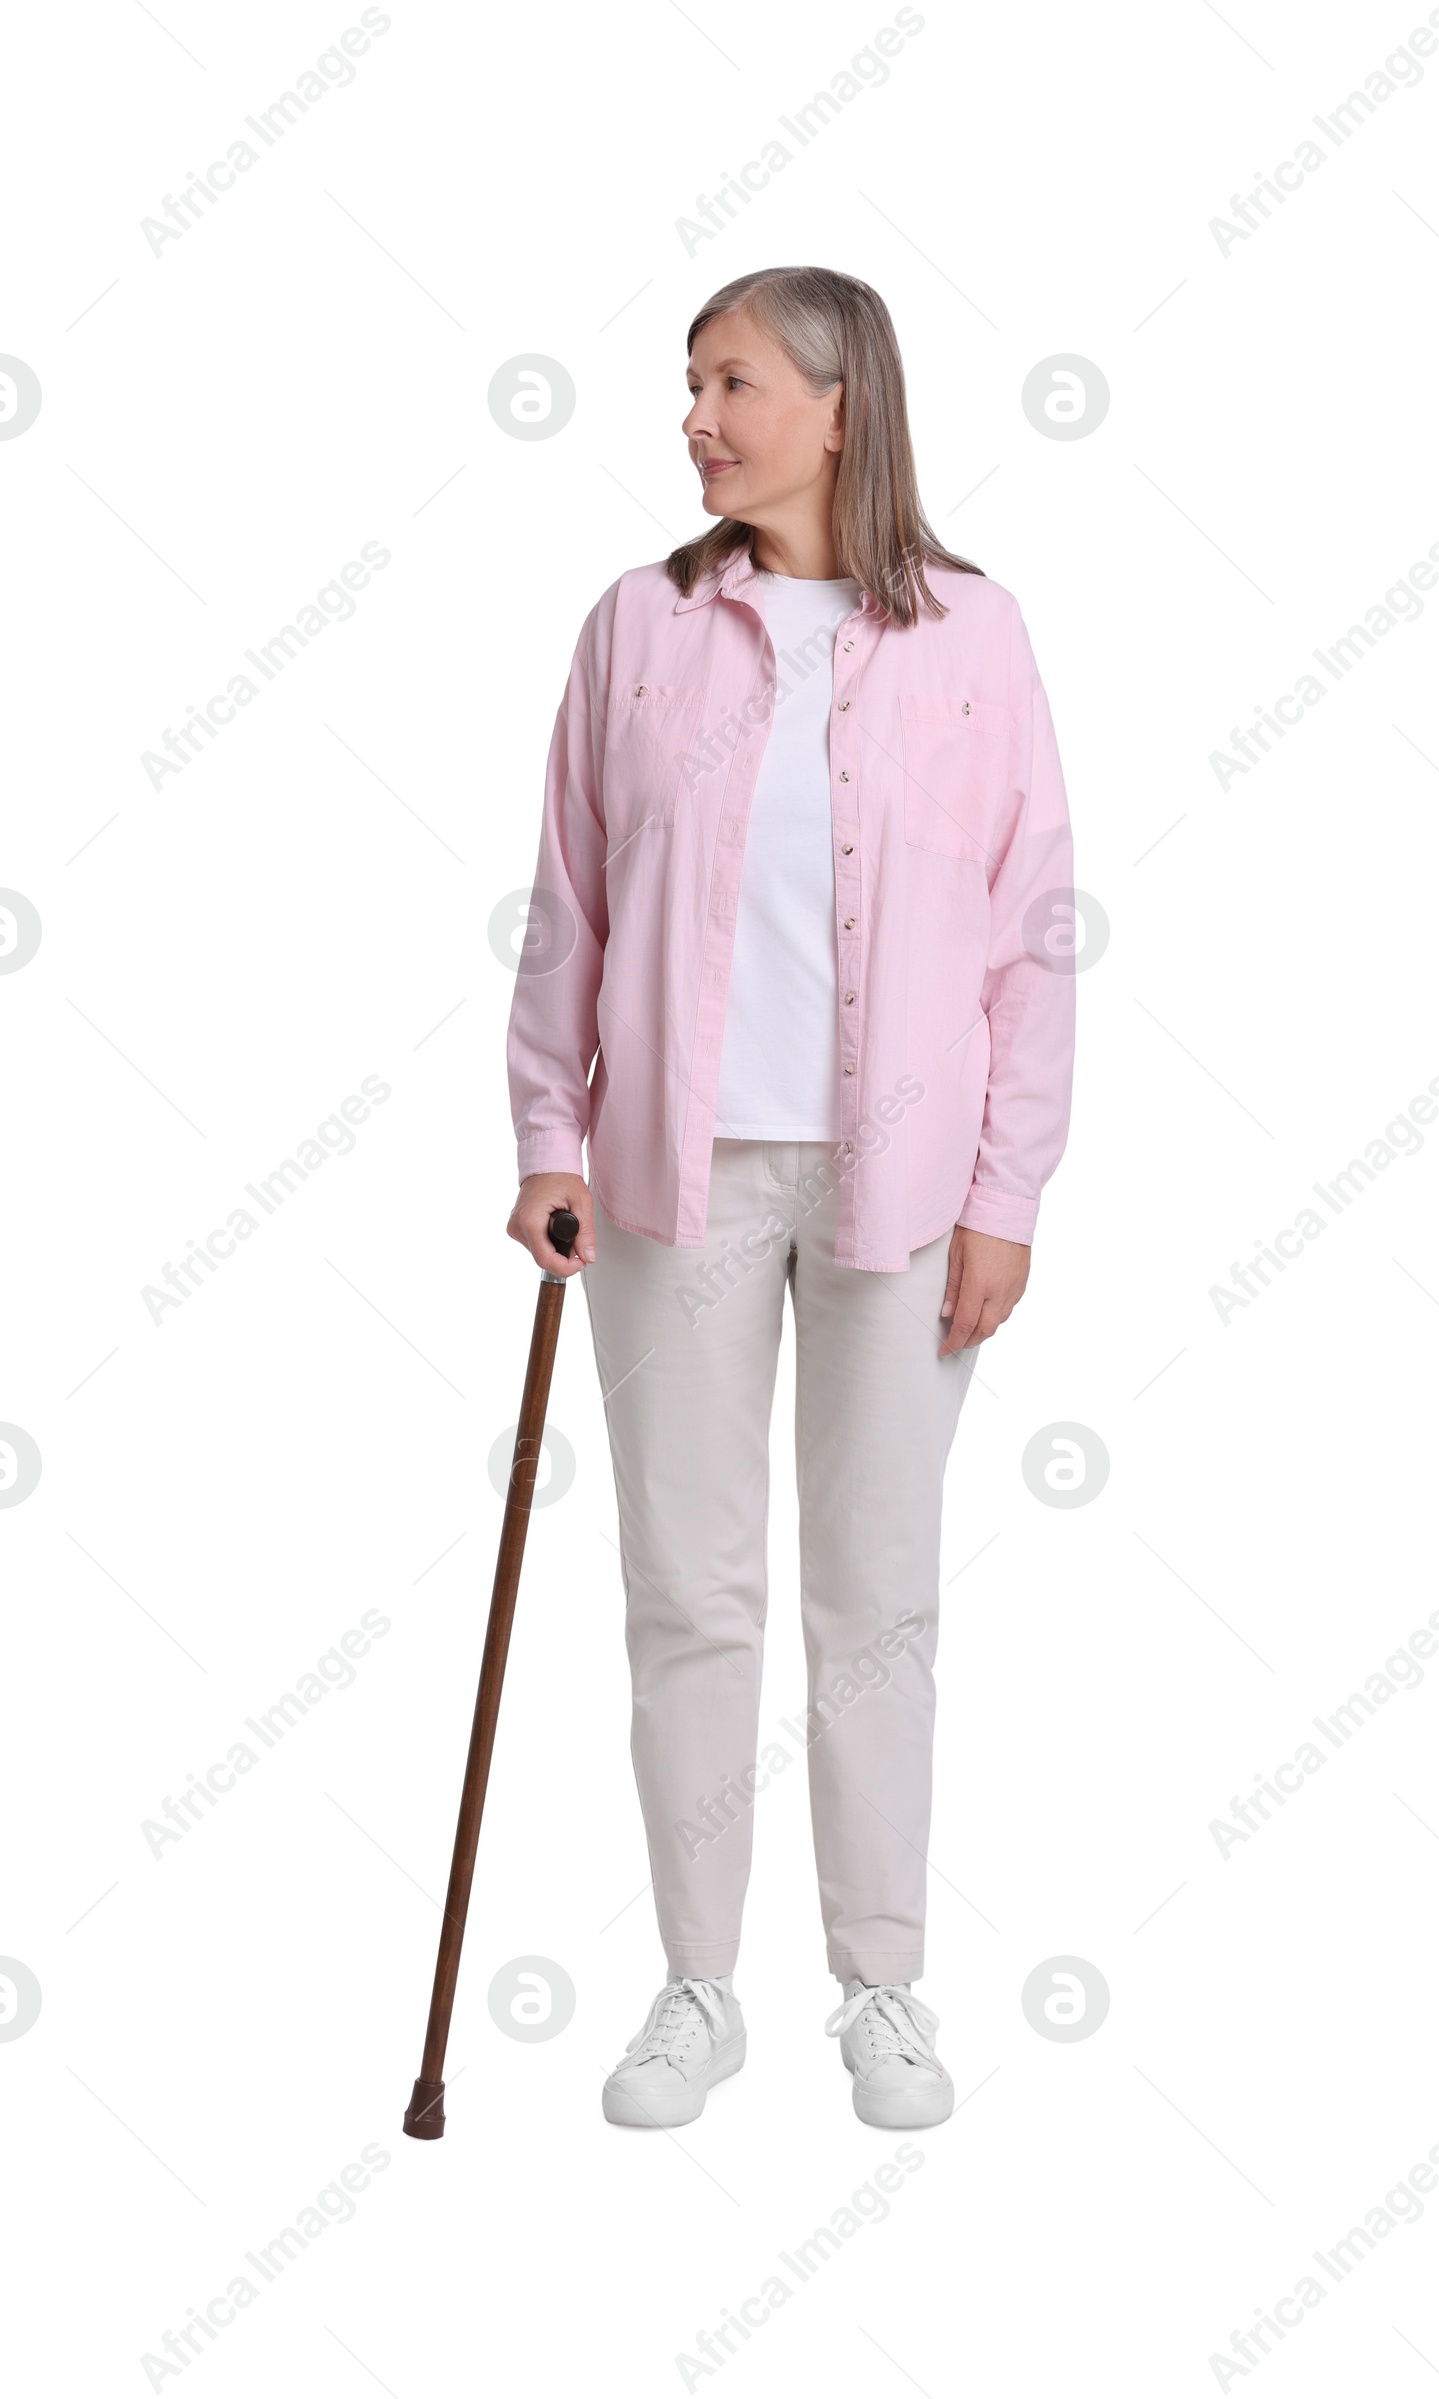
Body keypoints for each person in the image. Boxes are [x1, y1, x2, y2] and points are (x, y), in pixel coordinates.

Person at [505, 264, 1075, 2130]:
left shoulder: (975, 639)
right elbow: (569, 909)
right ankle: (694, 1986)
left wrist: (1007, 1191)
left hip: (904, 1189)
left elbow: (1027, 935)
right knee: (687, 1586)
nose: (696, 417)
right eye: (689, 384)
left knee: (878, 1598)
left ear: (842, 404)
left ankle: (884, 1985)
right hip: (668, 1178)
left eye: (731, 382)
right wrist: (546, 1142)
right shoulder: (637, 628)